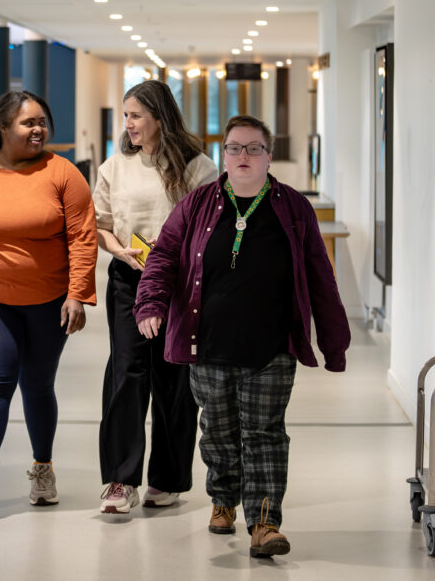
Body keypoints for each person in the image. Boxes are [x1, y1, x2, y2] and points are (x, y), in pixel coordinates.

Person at [134, 115, 350, 558]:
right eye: (235, 148)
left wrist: (334, 343)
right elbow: (163, 257)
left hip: (271, 347)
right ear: (223, 155)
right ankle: (222, 498)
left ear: (269, 156)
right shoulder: (196, 204)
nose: (244, 156)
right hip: (207, 344)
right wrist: (150, 304)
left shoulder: (292, 207)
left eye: (254, 148)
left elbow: (320, 277)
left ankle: (265, 522)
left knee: (266, 434)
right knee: (218, 432)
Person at [0, 90, 98, 520]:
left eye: (43, 122)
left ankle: (42, 467)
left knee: (38, 385)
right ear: (3, 127)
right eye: (29, 122)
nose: (39, 129)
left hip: (49, 300)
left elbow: (83, 236)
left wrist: (78, 293)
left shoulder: (63, 173)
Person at [92, 79, 218, 514]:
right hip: (129, 281)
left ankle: (166, 480)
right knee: (127, 374)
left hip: (181, 287)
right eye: (125, 115)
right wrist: (118, 250)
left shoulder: (197, 167)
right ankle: (120, 481)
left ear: (160, 118)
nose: (128, 124)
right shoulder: (114, 167)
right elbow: (101, 224)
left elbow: (210, 228)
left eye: (136, 115)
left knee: (173, 382)